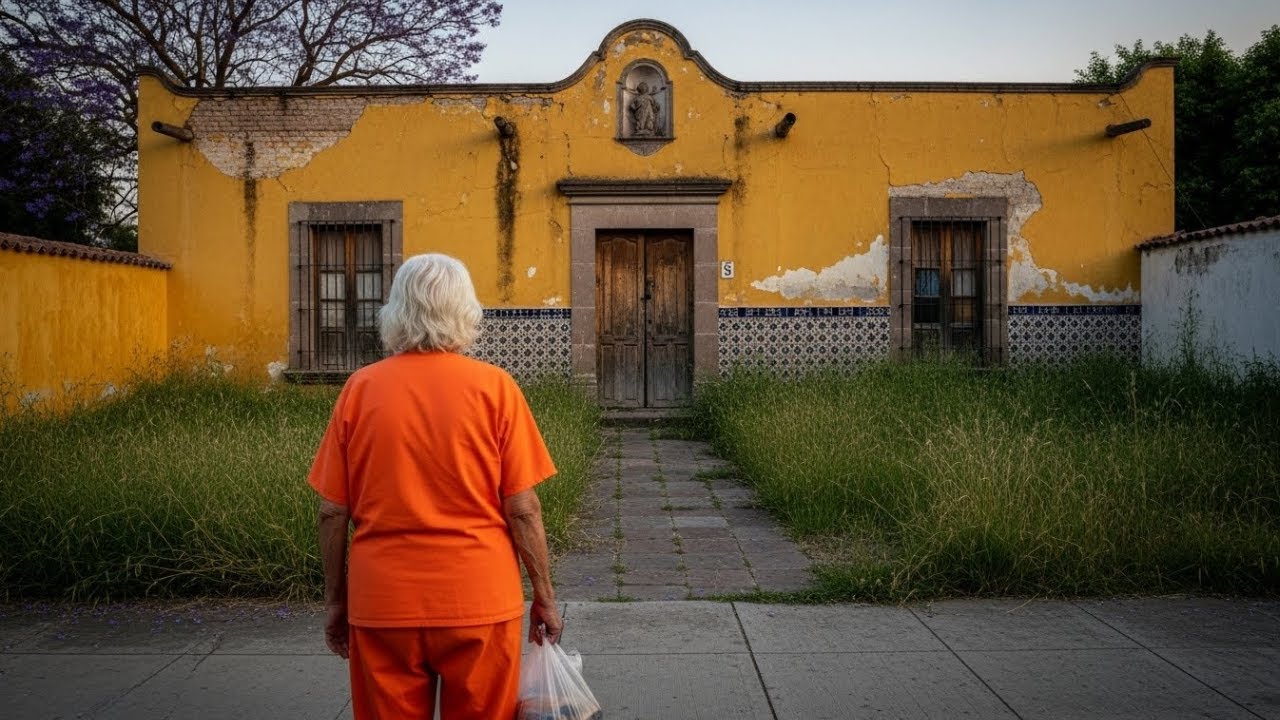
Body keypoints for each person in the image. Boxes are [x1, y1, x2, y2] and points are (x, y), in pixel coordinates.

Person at [307, 253, 564, 719]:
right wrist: (544, 597)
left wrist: (335, 601)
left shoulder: (359, 390)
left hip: (383, 603)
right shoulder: (497, 389)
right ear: (466, 311)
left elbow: (331, 512)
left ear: (395, 311)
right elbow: (523, 508)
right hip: (480, 601)